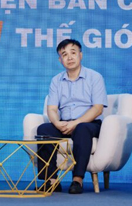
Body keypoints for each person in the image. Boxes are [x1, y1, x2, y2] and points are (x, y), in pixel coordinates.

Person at [36, 39, 107, 194]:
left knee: (82, 129)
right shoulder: (56, 80)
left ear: (80, 55)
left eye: (73, 53)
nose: (69, 57)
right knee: (43, 129)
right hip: (64, 123)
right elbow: (52, 108)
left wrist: (76, 123)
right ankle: (51, 181)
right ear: (60, 60)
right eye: (64, 54)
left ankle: (77, 179)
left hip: (89, 123)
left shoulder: (95, 77)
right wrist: (57, 123)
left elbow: (98, 108)